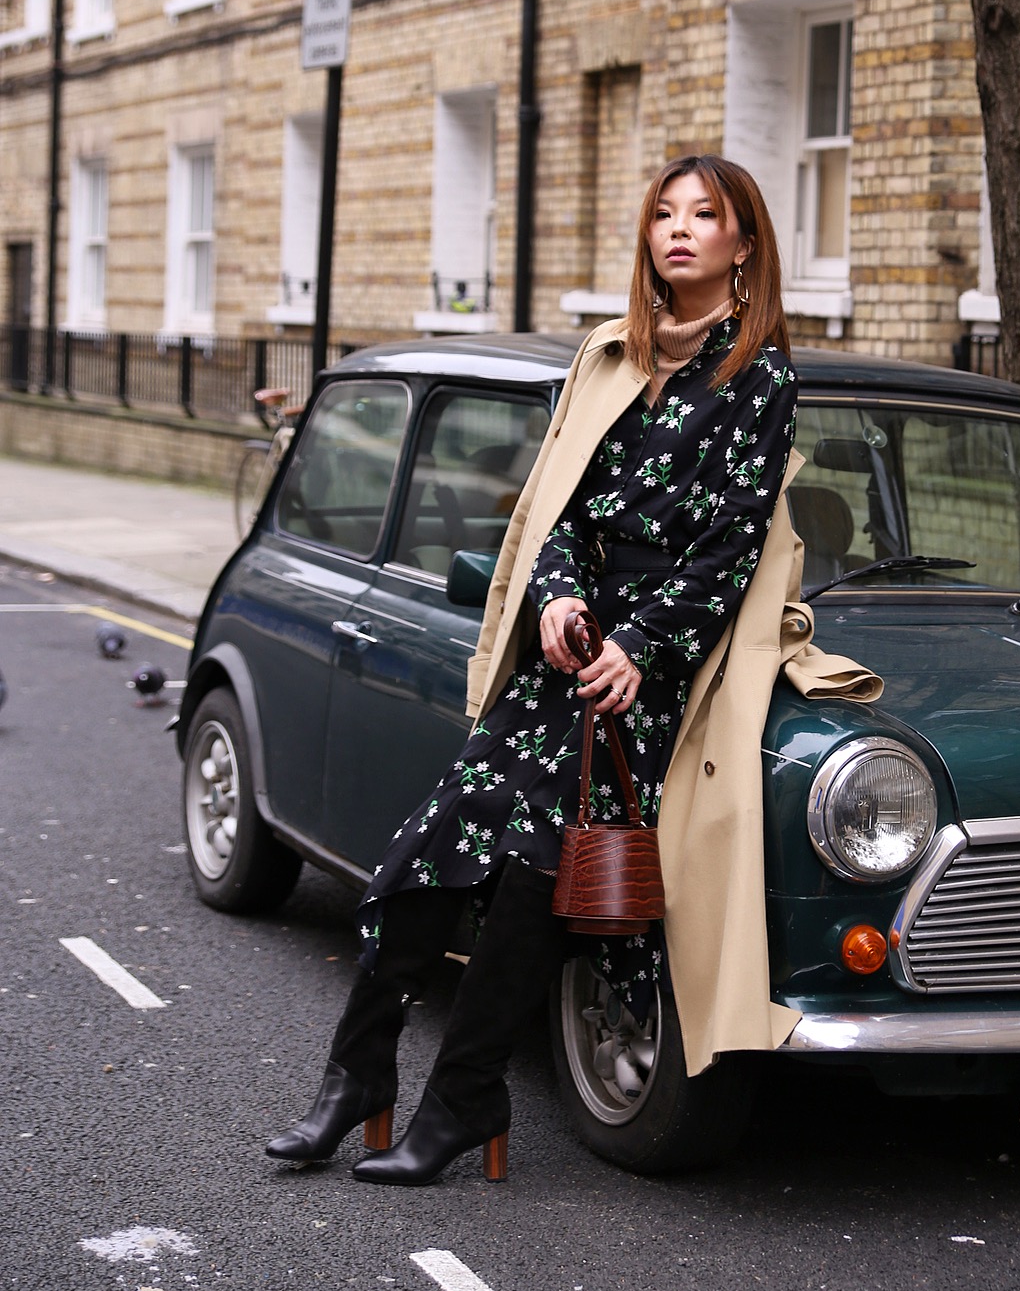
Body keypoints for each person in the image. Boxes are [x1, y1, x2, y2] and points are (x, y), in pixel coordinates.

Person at [266, 153, 878, 1187]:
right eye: (664, 214)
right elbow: (556, 508)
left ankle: (463, 1097)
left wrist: (642, 644)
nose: (679, 229)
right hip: (571, 653)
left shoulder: (759, 372)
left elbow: (729, 546)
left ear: (744, 243)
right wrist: (553, 592)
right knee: (429, 846)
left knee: (532, 883)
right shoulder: (613, 356)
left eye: (706, 215)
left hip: (650, 671)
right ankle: (356, 1076)